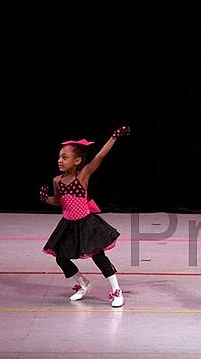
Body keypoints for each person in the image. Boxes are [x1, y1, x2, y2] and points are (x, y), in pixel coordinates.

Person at [40, 125, 130, 308]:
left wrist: (114, 137)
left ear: (77, 160)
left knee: (98, 256)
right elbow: (58, 201)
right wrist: (45, 199)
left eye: (65, 157)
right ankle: (83, 284)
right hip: (68, 225)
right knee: (61, 258)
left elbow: (100, 156)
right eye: (59, 157)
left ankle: (117, 291)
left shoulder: (83, 175)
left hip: (86, 223)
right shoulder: (57, 181)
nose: (60, 160)